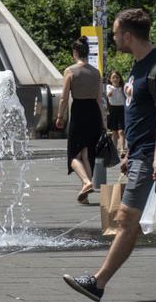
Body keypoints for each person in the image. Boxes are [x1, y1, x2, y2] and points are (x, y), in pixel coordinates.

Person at [63, 9, 156, 302]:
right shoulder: (139, 66)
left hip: (152, 156)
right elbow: (139, 116)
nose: (115, 38)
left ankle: (98, 282)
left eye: (117, 33)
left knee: (125, 218)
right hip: (141, 153)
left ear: (128, 35)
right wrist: (128, 151)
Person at [55, 37, 104, 204]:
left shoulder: (70, 71)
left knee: (73, 155)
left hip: (79, 112)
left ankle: (86, 182)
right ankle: (85, 195)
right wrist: (104, 121)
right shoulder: (96, 72)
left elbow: (64, 97)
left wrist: (60, 117)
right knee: (86, 153)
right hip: (94, 114)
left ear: (75, 52)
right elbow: (99, 100)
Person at [106, 71, 127, 157]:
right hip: (112, 109)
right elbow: (108, 95)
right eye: (113, 77)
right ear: (110, 79)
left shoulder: (122, 87)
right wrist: (109, 94)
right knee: (114, 131)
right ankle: (114, 150)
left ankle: (122, 149)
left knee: (121, 131)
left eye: (117, 77)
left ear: (120, 78)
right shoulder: (109, 87)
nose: (115, 79)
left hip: (122, 109)